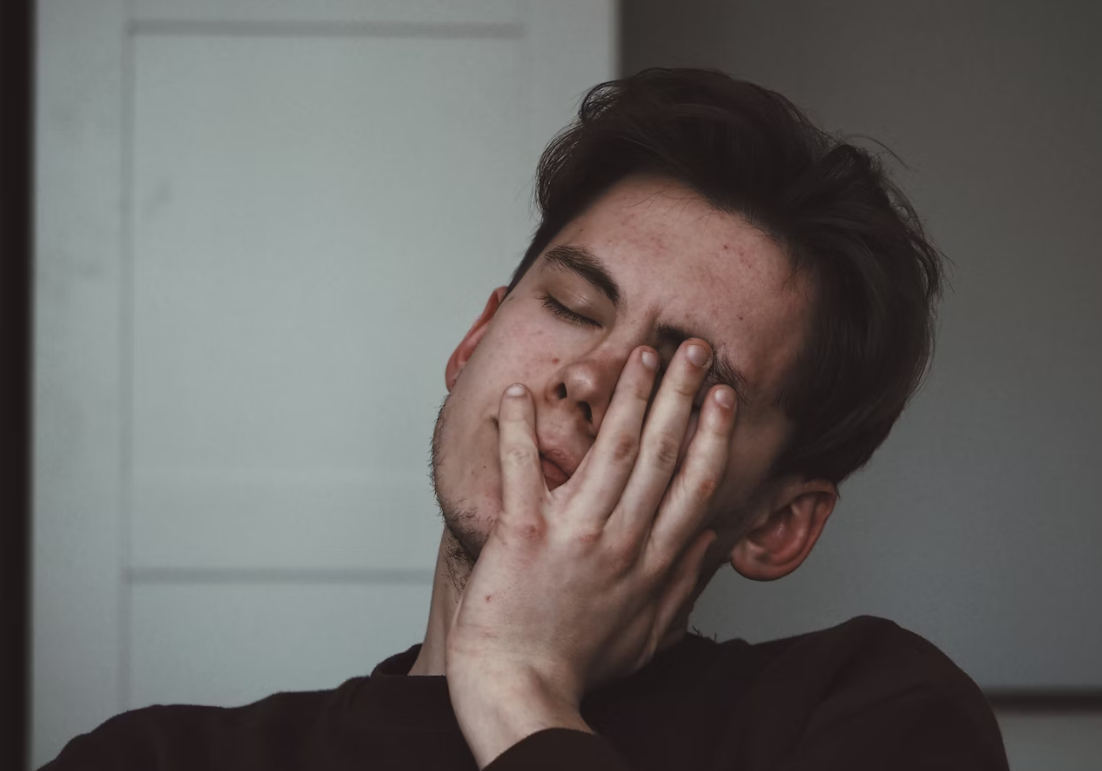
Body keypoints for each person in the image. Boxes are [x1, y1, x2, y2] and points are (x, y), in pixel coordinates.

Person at [42, 68, 1010, 770]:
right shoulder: (156, 756)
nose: (586, 378)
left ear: (777, 523)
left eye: (680, 377)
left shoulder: (874, 716)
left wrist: (520, 684)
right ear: (474, 342)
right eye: (573, 308)